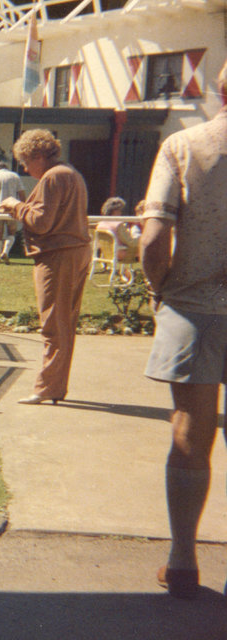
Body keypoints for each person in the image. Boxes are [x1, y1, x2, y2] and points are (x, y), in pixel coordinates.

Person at [139, 57, 227, 600]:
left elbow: (153, 240)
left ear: (220, 91)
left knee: (191, 435)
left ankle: (182, 560)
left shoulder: (183, 145)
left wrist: (162, 288)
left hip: (195, 306)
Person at [0, 130, 91, 405]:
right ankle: (54, 386)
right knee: (64, 323)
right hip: (75, 252)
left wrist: (15, 205)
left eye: (26, 162)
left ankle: (47, 387)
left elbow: (41, 222)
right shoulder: (71, 173)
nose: (25, 169)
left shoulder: (53, 177)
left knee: (52, 324)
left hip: (58, 256)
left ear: (39, 155)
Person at [0, 161, 26, 264]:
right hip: (11, 209)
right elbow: (21, 193)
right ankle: (5, 252)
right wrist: (23, 206)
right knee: (12, 232)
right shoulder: (15, 176)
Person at [96, 197, 139, 283]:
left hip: (107, 253)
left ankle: (127, 274)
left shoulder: (100, 224)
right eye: (119, 210)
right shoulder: (118, 225)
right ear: (114, 211)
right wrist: (142, 238)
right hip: (122, 254)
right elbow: (131, 242)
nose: (121, 212)